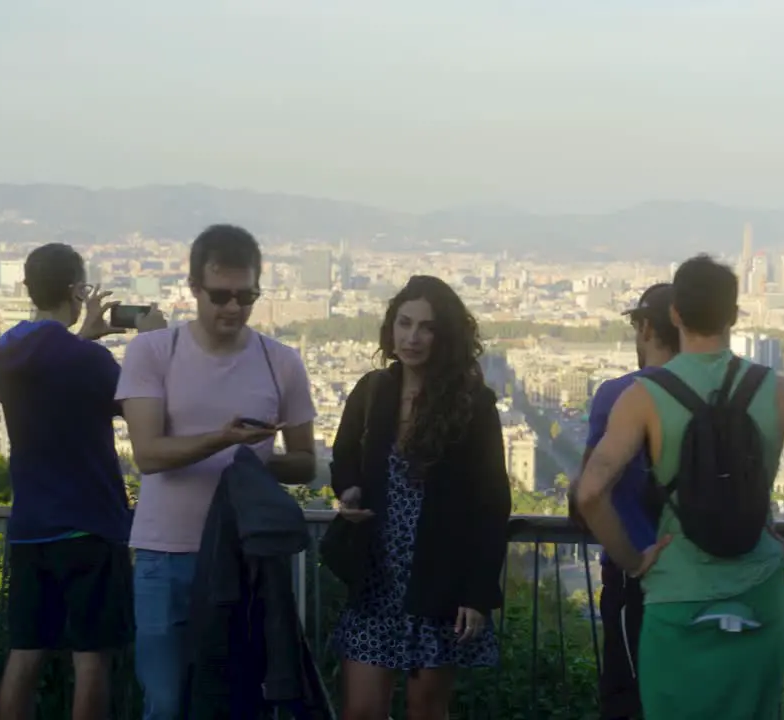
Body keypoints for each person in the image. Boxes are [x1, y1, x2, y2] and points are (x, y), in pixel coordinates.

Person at [576, 254, 784, 719]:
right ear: (734, 315)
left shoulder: (643, 397)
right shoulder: (777, 390)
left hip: (676, 596)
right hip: (758, 594)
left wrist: (634, 562)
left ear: (675, 315)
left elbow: (590, 492)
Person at [117, 224, 318, 720]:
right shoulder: (152, 352)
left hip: (246, 555)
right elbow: (147, 454)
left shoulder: (282, 362)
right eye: (221, 295)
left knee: (239, 700)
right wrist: (224, 440)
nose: (232, 308)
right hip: (168, 552)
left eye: (245, 296)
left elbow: (306, 462)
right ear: (193, 289)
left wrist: (255, 460)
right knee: (165, 703)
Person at [0, 243, 165, 720]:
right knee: (91, 659)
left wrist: (82, 335)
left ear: (28, 287)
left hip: (29, 528)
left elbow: (50, 367)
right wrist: (149, 342)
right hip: (89, 523)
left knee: (25, 654)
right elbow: (138, 402)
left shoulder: (3, 351)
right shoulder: (89, 363)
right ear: (76, 289)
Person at [329, 275, 511, 720]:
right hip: (376, 575)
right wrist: (348, 491)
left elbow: (491, 503)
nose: (412, 337)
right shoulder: (373, 391)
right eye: (404, 323)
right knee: (361, 710)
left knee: (425, 710)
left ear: (444, 336)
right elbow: (343, 458)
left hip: (438, 579)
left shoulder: (471, 404)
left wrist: (477, 592)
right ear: (391, 328)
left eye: (426, 327)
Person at [573, 283, 680, 720]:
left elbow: (588, 489)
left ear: (646, 327)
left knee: (629, 696)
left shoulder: (617, 394)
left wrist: (631, 561)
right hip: (704, 573)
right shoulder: (717, 393)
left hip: (636, 569)